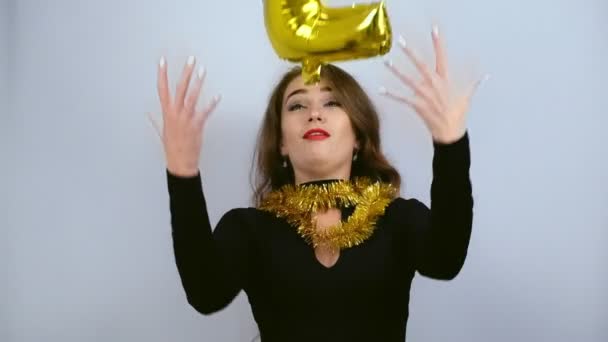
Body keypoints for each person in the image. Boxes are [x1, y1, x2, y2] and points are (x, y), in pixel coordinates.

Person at [152, 26, 482, 342]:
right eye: (297, 104)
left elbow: (445, 259)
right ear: (280, 141)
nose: (314, 113)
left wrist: (450, 143)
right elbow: (206, 292)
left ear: (358, 137)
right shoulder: (250, 229)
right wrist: (183, 174)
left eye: (332, 102)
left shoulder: (397, 219)